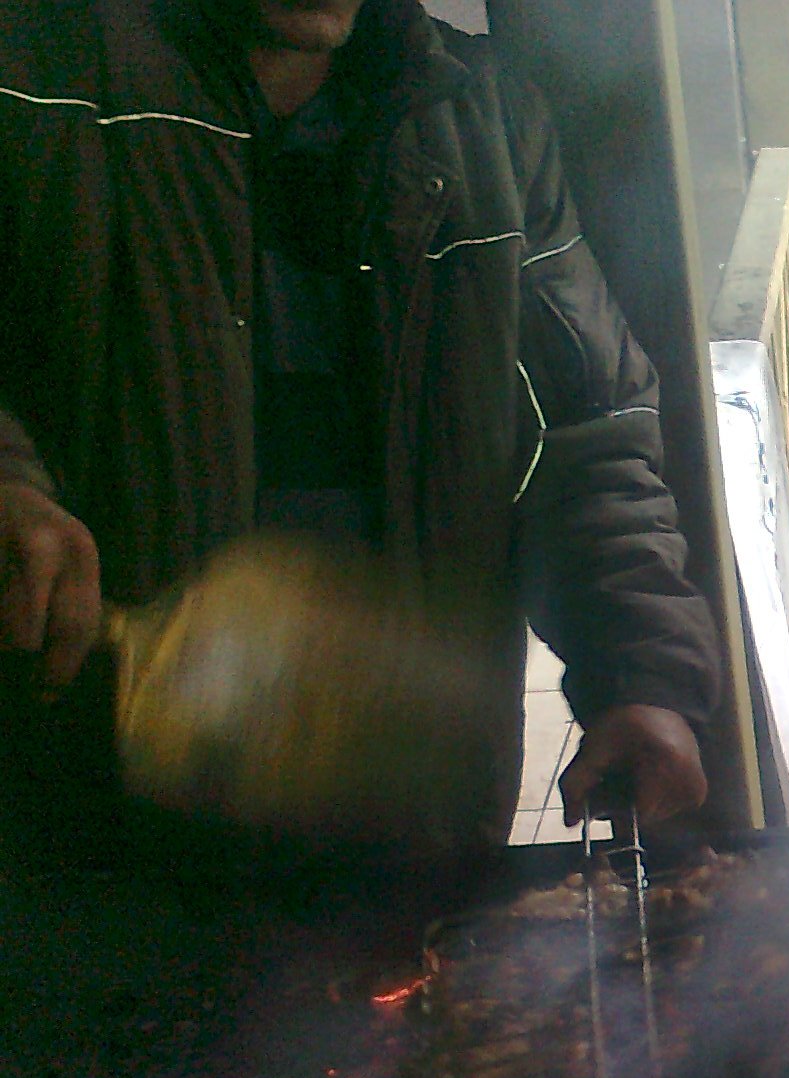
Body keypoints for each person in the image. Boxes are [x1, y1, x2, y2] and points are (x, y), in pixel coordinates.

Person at [0, 0, 721, 859]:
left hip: (408, 816)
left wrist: (639, 673)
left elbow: (584, 430)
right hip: (90, 829)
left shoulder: (479, 115)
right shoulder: (35, 81)